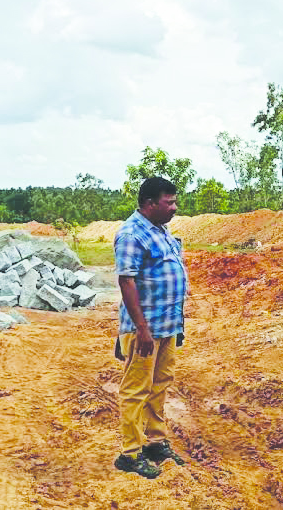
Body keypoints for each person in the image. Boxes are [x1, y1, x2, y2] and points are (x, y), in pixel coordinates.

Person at [113, 176, 188, 479]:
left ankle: (154, 441)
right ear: (149, 204)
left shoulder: (161, 231)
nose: (174, 207)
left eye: (174, 201)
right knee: (136, 389)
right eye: (168, 202)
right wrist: (141, 329)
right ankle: (130, 453)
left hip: (166, 326)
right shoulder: (132, 233)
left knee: (160, 384)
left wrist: (176, 325)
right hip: (145, 330)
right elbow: (126, 281)